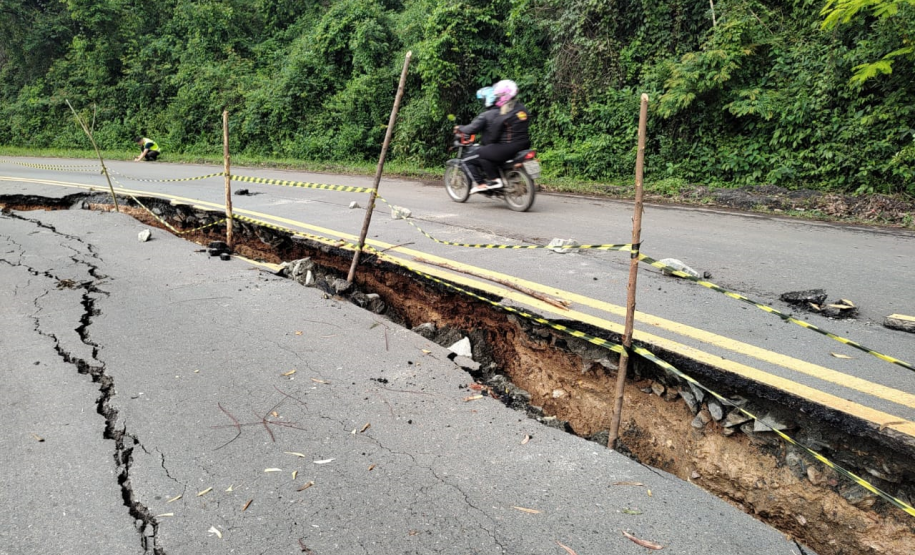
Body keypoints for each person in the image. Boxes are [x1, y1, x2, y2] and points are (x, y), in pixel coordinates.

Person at [463, 80, 531, 194]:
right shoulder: (522, 109)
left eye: (499, 96)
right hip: (525, 144)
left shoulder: (504, 114)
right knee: (487, 153)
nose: (498, 98)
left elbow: (493, 137)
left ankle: (494, 180)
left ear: (505, 95)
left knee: (480, 153)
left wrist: (489, 143)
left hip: (509, 147)